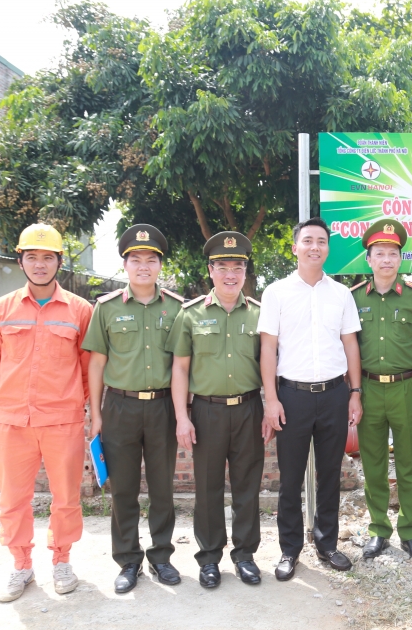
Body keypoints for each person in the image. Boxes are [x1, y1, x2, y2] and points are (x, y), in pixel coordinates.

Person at [0, 224, 92, 602]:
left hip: (63, 421)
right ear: (20, 261)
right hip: (13, 421)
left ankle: (62, 561)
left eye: (48, 257)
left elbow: (88, 366)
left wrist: (77, 403)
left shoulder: (80, 310)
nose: (40, 264)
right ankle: (21, 566)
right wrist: (5, 398)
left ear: (59, 261)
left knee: (66, 498)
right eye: (32, 257)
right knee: (12, 499)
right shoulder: (1, 309)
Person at [259, 217, 363, 581]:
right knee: (289, 479)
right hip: (292, 396)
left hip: (335, 394)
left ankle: (327, 543)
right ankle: (289, 550)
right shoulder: (276, 293)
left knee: (330, 474)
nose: (315, 246)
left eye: (321, 241)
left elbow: (350, 344)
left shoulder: (341, 294)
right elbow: (268, 348)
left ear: (327, 248)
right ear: (295, 247)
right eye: (308, 241)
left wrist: (354, 392)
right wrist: (271, 400)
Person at [82, 225, 185, 593]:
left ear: (160, 265)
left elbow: (181, 365)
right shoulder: (106, 308)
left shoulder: (177, 308)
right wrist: (96, 414)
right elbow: (96, 363)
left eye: (151, 259)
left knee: (162, 489)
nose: (144, 266)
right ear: (125, 265)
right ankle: (128, 560)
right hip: (120, 407)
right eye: (136, 260)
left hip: (162, 408)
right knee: (122, 489)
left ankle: (161, 557)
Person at [166, 231, 265, 589]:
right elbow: (179, 367)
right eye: (222, 267)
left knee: (247, 486)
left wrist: (269, 408)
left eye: (237, 267)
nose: (230, 274)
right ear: (211, 270)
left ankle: (245, 555)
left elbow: (269, 364)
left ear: (245, 271)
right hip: (206, 412)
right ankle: (209, 558)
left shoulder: (259, 314)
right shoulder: (190, 315)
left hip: (249, 408)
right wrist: (181, 416)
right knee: (207, 488)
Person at [351, 219, 412, 563]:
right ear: (369, 259)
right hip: (369, 389)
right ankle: (378, 530)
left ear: (400, 259)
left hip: (407, 388)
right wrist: (353, 392)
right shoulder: (354, 297)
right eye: (380, 253)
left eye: (393, 253)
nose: (387, 259)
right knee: (372, 464)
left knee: (409, 463)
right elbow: (350, 348)